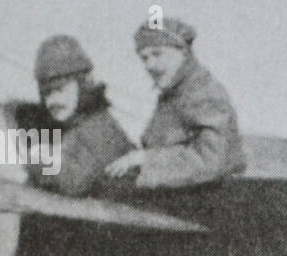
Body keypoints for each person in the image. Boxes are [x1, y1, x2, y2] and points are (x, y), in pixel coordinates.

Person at [104, 16, 246, 187]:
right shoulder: (175, 94)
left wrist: (146, 158)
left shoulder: (203, 93)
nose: (150, 65)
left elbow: (212, 161)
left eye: (157, 54)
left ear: (183, 52)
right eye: (144, 58)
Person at [25, 35, 134, 198]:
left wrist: (36, 158)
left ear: (83, 85)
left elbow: (74, 183)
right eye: (46, 94)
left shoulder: (99, 127)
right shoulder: (74, 128)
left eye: (59, 89)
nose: (52, 101)